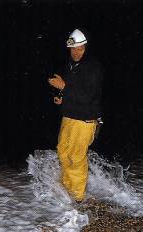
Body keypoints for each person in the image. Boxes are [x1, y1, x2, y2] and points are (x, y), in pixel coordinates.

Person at [48, 28, 104, 203]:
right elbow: (72, 91)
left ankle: (78, 197)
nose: (76, 52)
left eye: (80, 49)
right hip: (69, 117)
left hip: (86, 120)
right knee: (63, 152)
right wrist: (61, 98)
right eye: (73, 49)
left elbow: (87, 96)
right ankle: (67, 190)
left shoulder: (94, 68)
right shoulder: (70, 65)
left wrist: (64, 87)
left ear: (87, 49)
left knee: (77, 158)